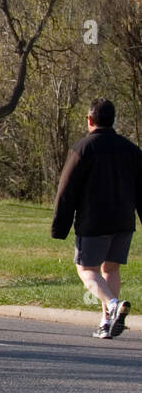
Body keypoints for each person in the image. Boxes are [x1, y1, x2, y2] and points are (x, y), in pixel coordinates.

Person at [51, 97, 139, 339]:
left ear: (90, 120)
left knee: (87, 270)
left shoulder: (83, 148)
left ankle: (112, 305)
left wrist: (60, 226)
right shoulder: (131, 149)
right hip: (123, 221)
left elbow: (66, 190)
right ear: (113, 120)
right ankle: (106, 323)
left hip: (94, 222)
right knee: (110, 268)